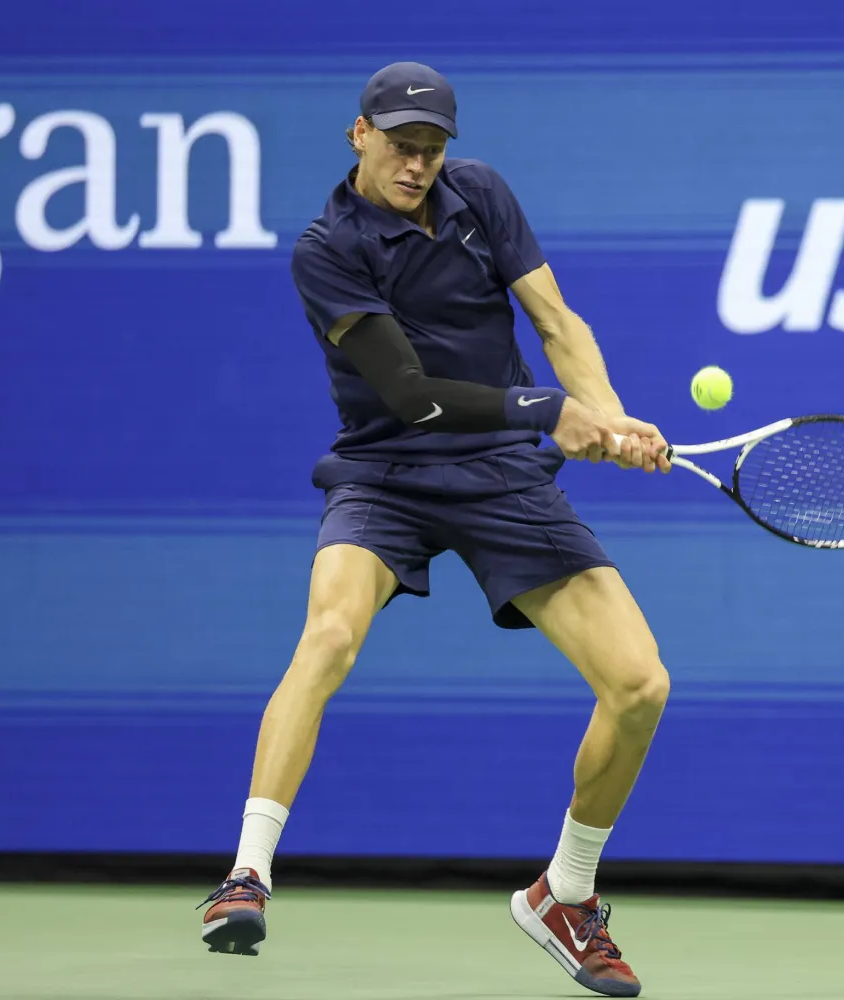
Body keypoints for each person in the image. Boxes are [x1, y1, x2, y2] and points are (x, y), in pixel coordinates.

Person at [195, 61, 671, 999]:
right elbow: (409, 397)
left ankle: (564, 896)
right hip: (386, 472)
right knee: (329, 635)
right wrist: (549, 410)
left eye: (431, 148)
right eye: (400, 144)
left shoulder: (479, 194)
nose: (417, 163)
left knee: (641, 685)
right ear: (357, 136)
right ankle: (246, 873)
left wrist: (607, 414)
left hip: (500, 478)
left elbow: (555, 318)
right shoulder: (325, 249)